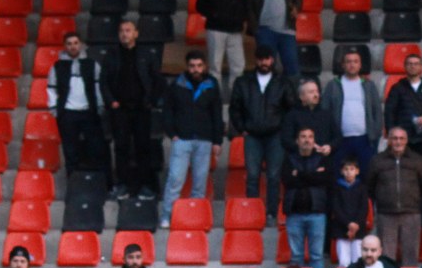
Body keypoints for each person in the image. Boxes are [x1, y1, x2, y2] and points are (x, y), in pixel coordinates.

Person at [159, 51, 224, 227]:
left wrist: (217, 141)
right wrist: (172, 133)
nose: (195, 69)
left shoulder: (212, 84)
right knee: (175, 179)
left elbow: (216, 114)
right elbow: (168, 111)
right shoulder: (177, 84)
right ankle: (167, 216)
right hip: (182, 139)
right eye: (192, 66)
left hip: (204, 139)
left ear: (205, 66)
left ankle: (194, 218)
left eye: (199, 66)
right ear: (187, 66)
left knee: (200, 183)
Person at [230, 44, 295, 220]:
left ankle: (271, 212)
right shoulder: (243, 81)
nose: (264, 62)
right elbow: (235, 108)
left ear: (272, 60)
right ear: (256, 60)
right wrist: (241, 128)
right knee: (252, 175)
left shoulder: (283, 82)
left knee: (274, 175)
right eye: (261, 59)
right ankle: (252, 212)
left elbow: (291, 109)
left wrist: (284, 130)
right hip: (252, 134)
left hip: (275, 135)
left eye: (267, 59)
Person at [102, 19, 163, 201]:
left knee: (143, 147)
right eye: (121, 30)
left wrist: (151, 101)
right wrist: (111, 101)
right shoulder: (112, 55)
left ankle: (144, 185)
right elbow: (104, 81)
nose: (124, 34)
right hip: (120, 109)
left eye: (128, 30)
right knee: (121, 147)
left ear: (136, 33)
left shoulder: (146, 54)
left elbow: (157, 80)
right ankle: (122, 185)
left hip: (141, 109)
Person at [49, 32, 112, 191]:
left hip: (89, 112)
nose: (73, 46)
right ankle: (73, 187)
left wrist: (99, 106)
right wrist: (55, 110)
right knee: (70, 152)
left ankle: (101, 186)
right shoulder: (57, 66)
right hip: (68, 114)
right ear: (65, 46)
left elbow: (98, 87)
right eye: (69, 43)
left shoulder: (92, 64)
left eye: (75, 43)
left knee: (97, 149)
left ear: (81, 44)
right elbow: (51, 88)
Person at [366, 128, 422, 266]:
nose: (398, 142)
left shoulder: (417, 160)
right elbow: (370, 186)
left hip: (411, 213)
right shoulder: (377, 160)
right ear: (389, 140)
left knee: (411, 256)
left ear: (406, 140)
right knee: (386, 258)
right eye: (394, 138)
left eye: (401, 138)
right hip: (386, 214)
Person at [320, 48, 384, 174]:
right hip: (340, 139)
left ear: (360, 65)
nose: (352, 64)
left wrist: (375, 133)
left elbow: (377, 111)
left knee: (366, 174)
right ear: (343, 65)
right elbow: (324, 111)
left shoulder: (369, 85)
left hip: (364, 139)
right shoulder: (333, 85)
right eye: (348, 61)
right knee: (338, 174)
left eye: (355, 61)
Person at [283, 129, 332, 268]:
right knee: (296, 255)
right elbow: (287, 180)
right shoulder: (288, 158)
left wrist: (301, 174)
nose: (307, 140)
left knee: (316, 255)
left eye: (310, 136)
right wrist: (313, 175)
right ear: (297, 141)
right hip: (294, 214)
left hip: (317, 213)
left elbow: (324, 179)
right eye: (303, 136)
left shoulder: (322, 159)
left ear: (314, 140)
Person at [197, 0, 248, 87]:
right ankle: (215, 100)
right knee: (215, 67)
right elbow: (200, 5)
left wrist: (241, 18)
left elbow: (242, 2)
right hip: (216, 29)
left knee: (238, 66)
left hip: (235, 30)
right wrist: (216, 15)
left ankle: (236, 99)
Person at [385, 52, 422, 167]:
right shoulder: (397, 88)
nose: (413, 66)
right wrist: (391, 134)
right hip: (401, 139)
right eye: (410, 64)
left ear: (421, 67)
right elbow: (389, 113)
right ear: (405, 66)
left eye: (416, 64)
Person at [329, 156, 370, 268]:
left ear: (357, 171)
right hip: (341, 229)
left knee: (358, 261)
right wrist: (348, 224)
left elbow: (364, 208)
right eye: (346, 169)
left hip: (358, 229)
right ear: (342, 171)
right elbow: (336, 208)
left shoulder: (362, 188)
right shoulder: (337, 187)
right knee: (343, 262)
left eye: (352, 169)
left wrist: (356, 224)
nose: (348, 172)